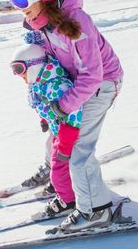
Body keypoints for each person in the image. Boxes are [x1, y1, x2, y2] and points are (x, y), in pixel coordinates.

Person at [10, 0, 124, 232]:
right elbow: (49, 66)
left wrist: (64, 106)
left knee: (78, 151)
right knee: (57, 137)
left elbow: (92, 75)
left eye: (25, 3)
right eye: (17, 4)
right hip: (75, 84)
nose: (22, 11)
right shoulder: (40, 25)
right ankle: (64, 188)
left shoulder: (76, 22)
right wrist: (50, 108)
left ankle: (96, 212)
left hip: (101, 84)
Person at [11, 40, 83, 217]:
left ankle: (67, 200)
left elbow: (74, 114)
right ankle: (59, 183)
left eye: (22, 72)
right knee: (49, 149)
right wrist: (44, 119)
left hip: (68, 134)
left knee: (59, 168)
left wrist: (66, 142)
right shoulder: (39, 83)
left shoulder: (57, 85)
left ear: (35, 66)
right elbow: (41, 104)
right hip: (58, 130)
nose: (22, 78)